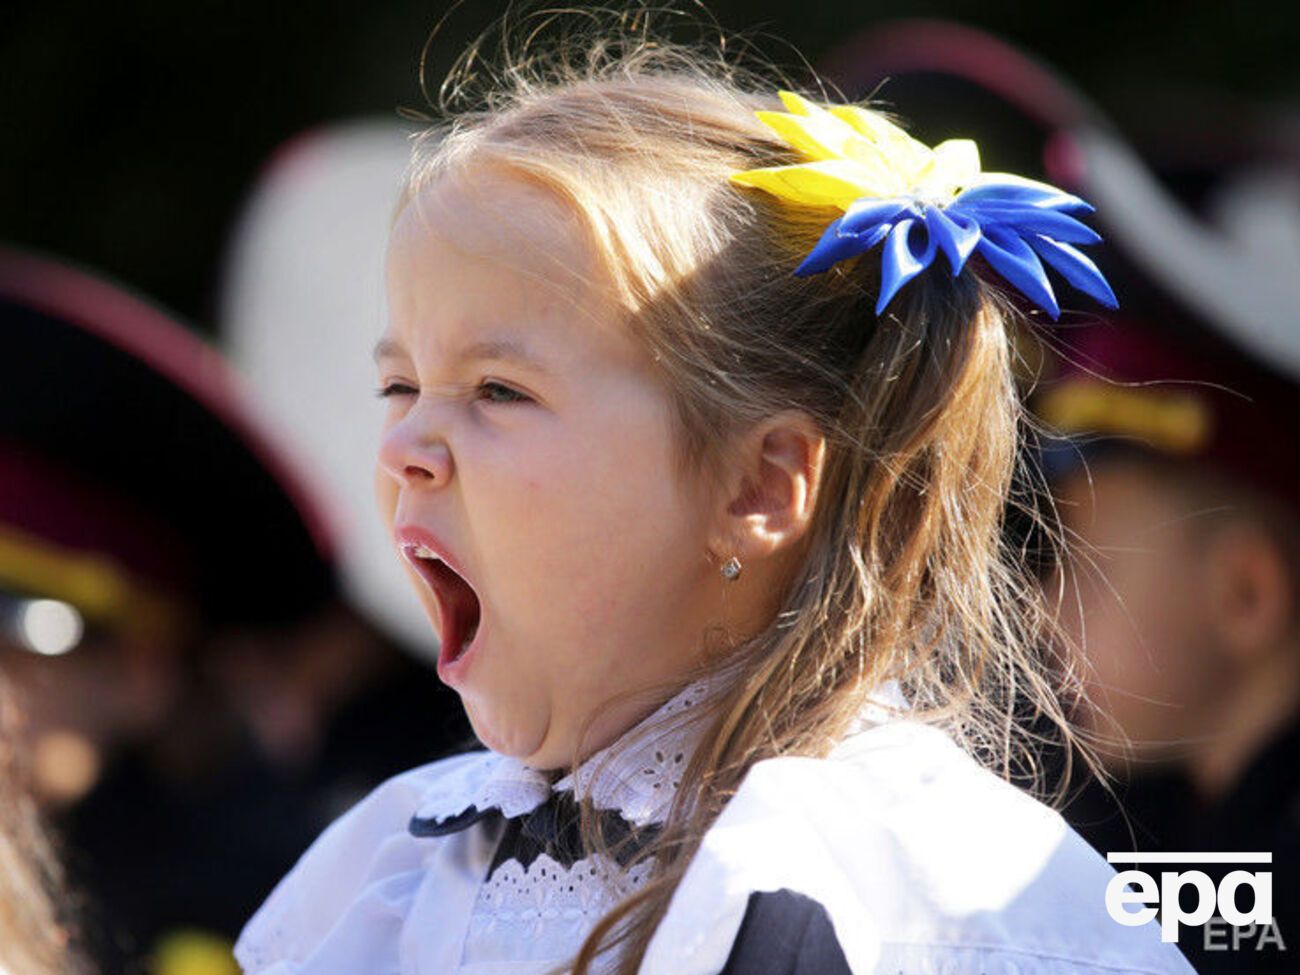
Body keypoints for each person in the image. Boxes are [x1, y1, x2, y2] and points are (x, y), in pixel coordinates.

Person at [233, 16, 1198, 975]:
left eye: (498, 390)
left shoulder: (885, 907)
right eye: (398, 386)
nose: (404, 446)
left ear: (759, 484)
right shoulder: (380, 873)